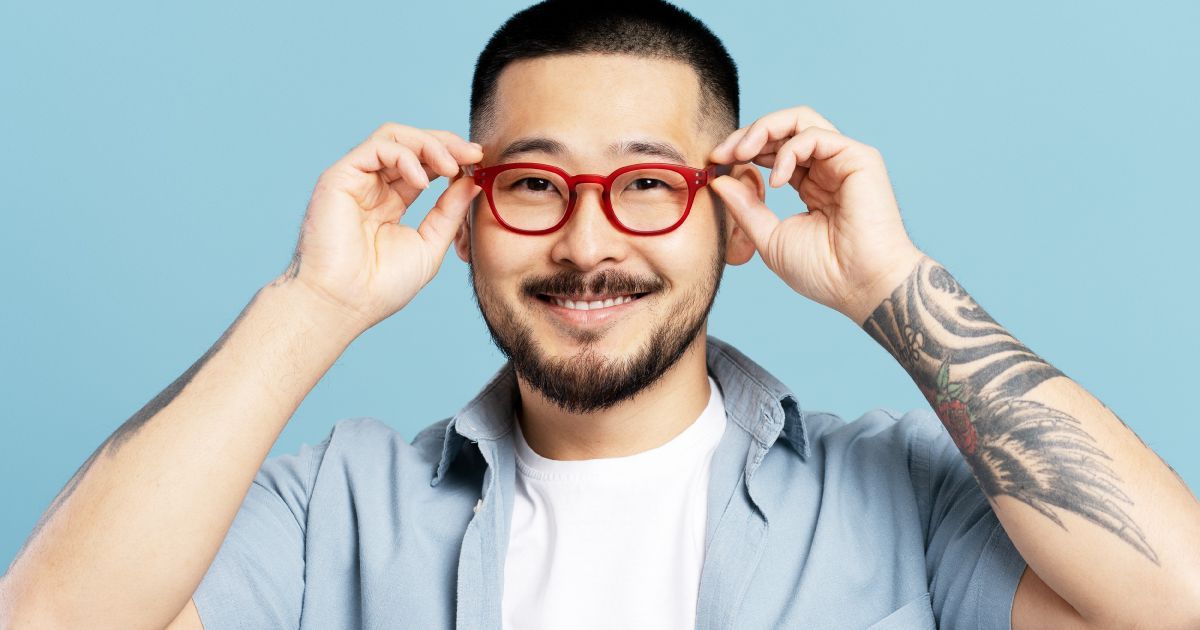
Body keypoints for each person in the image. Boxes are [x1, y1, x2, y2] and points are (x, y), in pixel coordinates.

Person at [3, 1, 1198, 628]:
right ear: (466, 214)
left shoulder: (901, 494)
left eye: (647, 186)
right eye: (533, 185)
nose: (586, 243)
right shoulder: (337, 515)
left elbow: (1175, 601)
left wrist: (891, 288)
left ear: (733, 217)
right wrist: (312, 304)